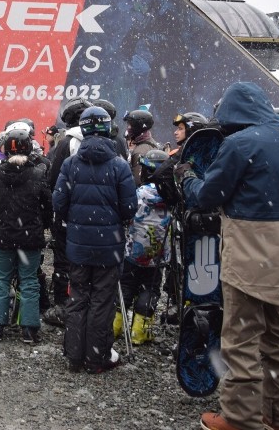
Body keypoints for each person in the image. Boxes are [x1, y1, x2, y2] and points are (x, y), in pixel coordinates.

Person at [174, 83, 279, 430]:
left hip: (248, 253)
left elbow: (208, 196)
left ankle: (241, 419)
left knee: (241, 341)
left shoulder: (238, 144)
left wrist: (188, 178)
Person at [53, 106, 136, 373]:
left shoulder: (70, 164)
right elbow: (130, 208)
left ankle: (74, 356)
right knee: (102, 300)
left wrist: (75, 221)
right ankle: (96, 358)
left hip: (77, 245)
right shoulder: (120, 165)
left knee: (78, 297)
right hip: (109, 247)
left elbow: (59, 202)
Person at [0, 127, 52, 344]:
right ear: (29, 148)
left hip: (3, 237)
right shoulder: (38, 174)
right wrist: (41, 225)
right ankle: (29, 329)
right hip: (30, 238)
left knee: (1, 280)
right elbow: (48, 207)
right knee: (29, 281)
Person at [43, 97, 92, 327]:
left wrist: (57, 213)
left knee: (63, 260)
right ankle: (90, 304)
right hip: (100, 218)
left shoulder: (66, 143)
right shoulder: (110, 140)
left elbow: (54, 181)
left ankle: (64, 304)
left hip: (70, 215)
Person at [115, 148, 171, 346]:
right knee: (150, 290)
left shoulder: (137, 194)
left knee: (125, 286)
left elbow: (124, 214)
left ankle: (115, 326)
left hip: (132, 252)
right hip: (157, 257)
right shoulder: (171, 198)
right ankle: (140, 331)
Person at [123, 109, 159, 187]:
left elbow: (138, 182)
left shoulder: (139, 152)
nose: (128, 128)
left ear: (137, 127)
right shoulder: (151, 142)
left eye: (130, 125)